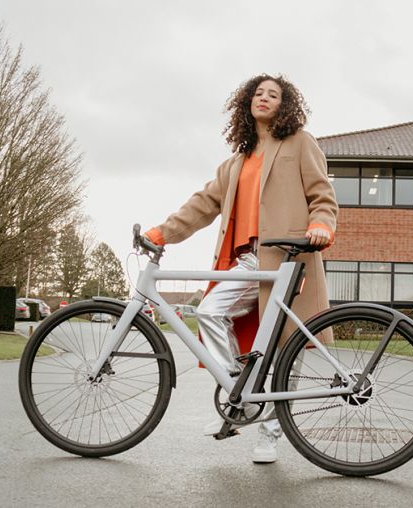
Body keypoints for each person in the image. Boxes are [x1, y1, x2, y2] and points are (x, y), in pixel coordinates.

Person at [144, 74, 338, 464]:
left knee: (287, 350)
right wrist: (162, 232)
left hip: (287, 259)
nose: (264, 98)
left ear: (285, 105)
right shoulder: (235, 162)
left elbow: (322, 194)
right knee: (211, 310)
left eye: (274, 94)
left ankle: (269, 434)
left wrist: (322, 223)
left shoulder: (300, 142)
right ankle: (240, 396)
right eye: (258, 93)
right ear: (247, 102)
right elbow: (201, 205)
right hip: (248, 259)